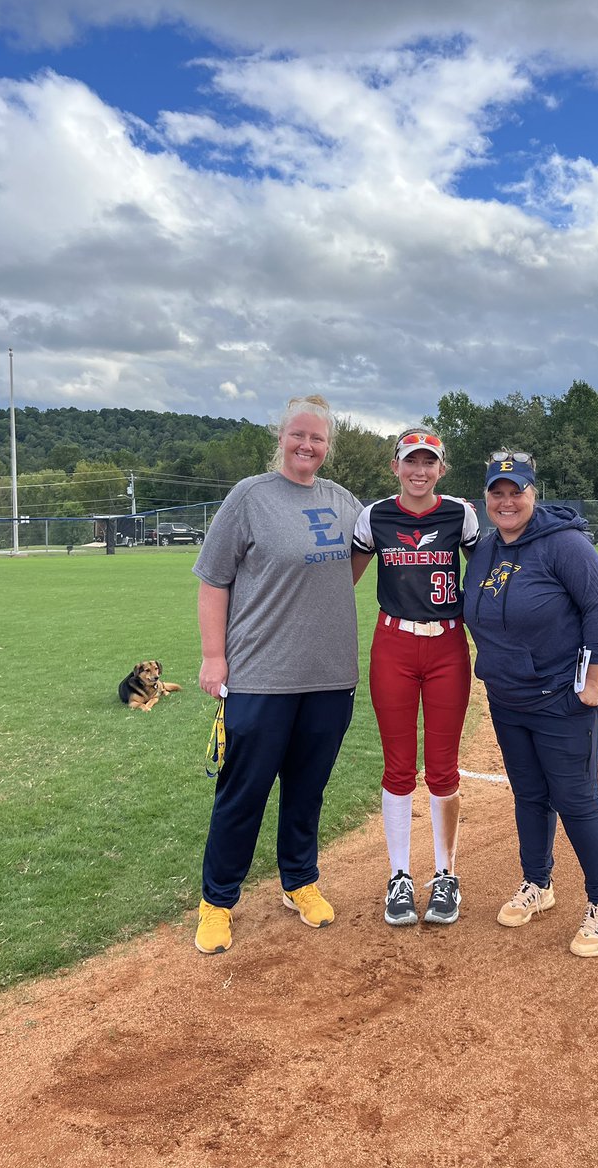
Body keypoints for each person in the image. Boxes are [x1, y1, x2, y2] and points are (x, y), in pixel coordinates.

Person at [192, 395, 362, 954]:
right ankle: (217, 900)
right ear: (281, 437)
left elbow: (358, 558)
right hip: (261, 673)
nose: (306, 445)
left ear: (328, 445)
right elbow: (213, 579)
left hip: (330, 676)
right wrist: (214, 657)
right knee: (243, 792)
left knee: (307, 790)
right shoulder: (250, 497)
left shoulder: (343, 502)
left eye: (317, 438)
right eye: (297, 434)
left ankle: (300, 882)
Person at [462, 451, 598, 957]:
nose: (508, 501)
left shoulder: (563, 544)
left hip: (561, 696)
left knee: (576, 799)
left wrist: (594, 678)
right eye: (498, 492)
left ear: (534, 493)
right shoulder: (487, 550)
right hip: (507, 696)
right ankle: (538, 884)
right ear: (486, 498)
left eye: (518, 491)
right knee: (530, 794)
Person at [352, 428, 480, 925]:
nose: (419, 471)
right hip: (395, 645)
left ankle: (446, 875)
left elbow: (488, 570)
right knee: (399, 765)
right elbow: (345, 578)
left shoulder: (460, 513)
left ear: (441, 469)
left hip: (448, 645)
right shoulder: (375, 515)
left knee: (444, 766)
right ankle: (400, 876)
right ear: (395, 466)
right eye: (411, 461)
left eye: (429, 462)